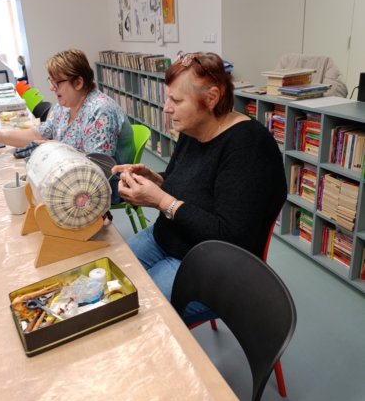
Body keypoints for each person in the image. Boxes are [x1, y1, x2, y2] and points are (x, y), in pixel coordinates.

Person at [112, 52, 287, 322]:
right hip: (167, 239)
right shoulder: (193, 127)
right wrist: (153, 179)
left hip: (214, 266)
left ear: (211, 97)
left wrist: (161, 201)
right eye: (167, 98)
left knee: (135, 313)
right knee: (110, 282)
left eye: (176, 100)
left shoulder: (249, 148)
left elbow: (230, 236)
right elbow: (187, 183)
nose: (166, 108)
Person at [0, 48, 134, 201]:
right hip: (70, 178)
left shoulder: (101, 111)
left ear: (78, 82)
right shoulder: (64, 106)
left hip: (102, 188)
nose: (52, 87)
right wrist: (0, 135)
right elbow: (37, 134)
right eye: (51, 81)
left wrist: (56, 148)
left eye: (57, 82)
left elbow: (97, 168)